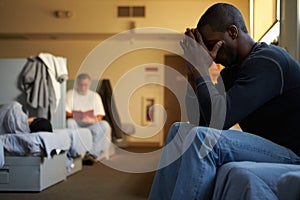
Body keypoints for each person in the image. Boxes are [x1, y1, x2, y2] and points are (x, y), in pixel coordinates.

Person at [149, 3, 300, 200]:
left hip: (292, 154)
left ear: (232, 32)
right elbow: (201, 124)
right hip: (271, 148)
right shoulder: (230, 74)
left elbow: (220, 119)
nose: (208, 53)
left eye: (210, 45)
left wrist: (201, 71)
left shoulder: (268, 60)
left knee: (199, 139)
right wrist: (193, 76)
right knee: (180, 130)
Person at [65, 73, 111, 165]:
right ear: (77, 84)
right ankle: (75, 152)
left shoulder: (95, 96)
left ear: (89, 85)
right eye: (81, 85)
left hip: (91, 123)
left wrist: (94, 120)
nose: (83, 87)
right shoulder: (70, 94)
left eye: (85, 85)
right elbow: (66, 112)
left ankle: (92, 154)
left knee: (104, 125)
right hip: (76, 122)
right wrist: (79, 116)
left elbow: (100, 115)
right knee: (69, 122)